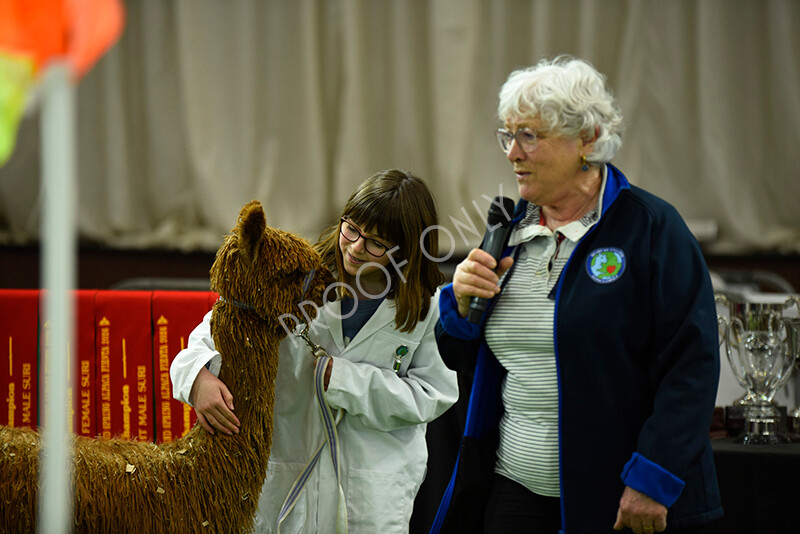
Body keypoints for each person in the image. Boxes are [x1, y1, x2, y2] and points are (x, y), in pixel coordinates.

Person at [430, 56, 723, 534]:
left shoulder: (650, 227)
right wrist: (459, 308)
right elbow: (458, 359)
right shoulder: (509, 228)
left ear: (587, 139)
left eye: (530, 135)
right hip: (513, 486)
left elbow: (691, 367)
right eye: (508, 135)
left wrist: (653, 477)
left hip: (616, 495)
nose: (512, 153)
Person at [170, 169, 459, 533]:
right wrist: (197, 378)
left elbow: (433, 396)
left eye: (375, 243)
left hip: (371, 490)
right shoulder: (295, 276)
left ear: (405, 252)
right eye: (351, 228)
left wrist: (344, 380)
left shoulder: (427, 309)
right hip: (288, 475)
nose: (355, 248)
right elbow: (207, 338)